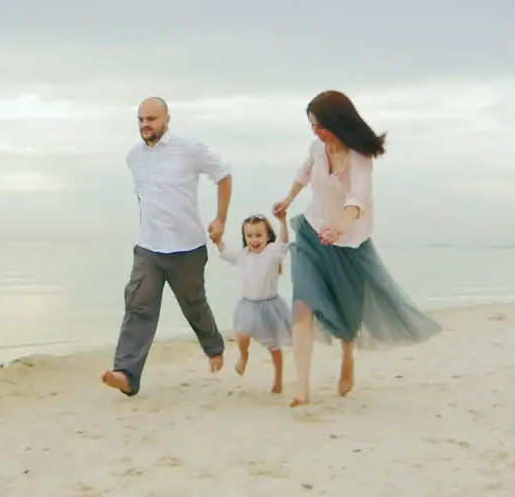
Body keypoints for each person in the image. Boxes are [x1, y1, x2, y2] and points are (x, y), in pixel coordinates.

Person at [272, 90, 441, 407]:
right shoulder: (316, 148)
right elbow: (304, 173)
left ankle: (348, 353)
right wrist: (288, 199)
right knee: (302, 304)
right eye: (312, 126)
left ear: (338, 123)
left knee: (349, 311)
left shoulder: (360, 159)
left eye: (320, 126)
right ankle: (302, 388)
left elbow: (357, 200)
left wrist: (341, 227)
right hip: (312, 232)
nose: (316, 133)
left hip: (349, 241)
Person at [101, 96, 231, 397]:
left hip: (188, 247)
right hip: (149, 247)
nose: (145, 125)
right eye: (141, 120)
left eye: (151, 119)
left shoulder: (189, 149)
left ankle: (214, 347)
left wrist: (221, 219)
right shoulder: (133, 157)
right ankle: (126, 374)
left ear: (166, 120)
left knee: (194, 305)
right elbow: (143, 197)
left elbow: (223, 175)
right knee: (138, 305)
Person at [214, 213, 293, 394]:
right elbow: (226, 254)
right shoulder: (244, 255)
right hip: (248, 304)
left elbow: (284, 244)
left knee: (274, 347)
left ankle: (278, 380)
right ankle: (244, 355)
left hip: (269, 306)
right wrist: (218, 240)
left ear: (267, 236)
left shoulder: (272, 252)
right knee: (241, 333)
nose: (254, 240)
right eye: (249, 236)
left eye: (258, 235)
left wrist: (282, 221)